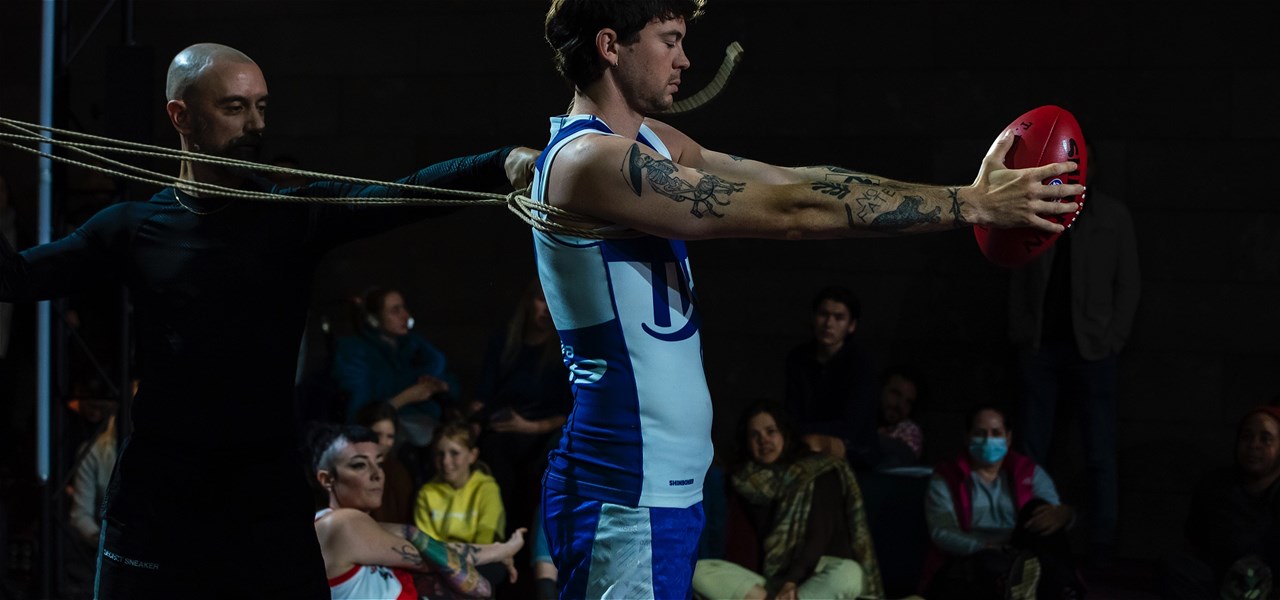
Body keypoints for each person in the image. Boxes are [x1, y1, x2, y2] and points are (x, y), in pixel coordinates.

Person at [532, 1, 1083, 596]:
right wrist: (971, 204)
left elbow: (786, 181)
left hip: (664, 483)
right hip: (626, 482)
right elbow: (790, 212)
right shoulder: (592, 160)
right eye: (669, 40)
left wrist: (966, 195)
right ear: (611, 46)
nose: (686, 59)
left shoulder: (649, 144)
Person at [0, 42, 536, 597]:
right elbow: (14, 279)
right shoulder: (133, 226)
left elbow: (399, 196)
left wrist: (498, 164)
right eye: (235, 107)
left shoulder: (291, 215)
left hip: (263, 495)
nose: (255, 123)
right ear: (180, 116)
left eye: (261, 106)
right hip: (160, 496)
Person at [1008, 140, 1140, 565]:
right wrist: (1022, 332)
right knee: (1031, 447)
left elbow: (1129, 283)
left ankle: (1102, 547)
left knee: (1100, 451)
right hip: (1042, 346)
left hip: (1092, 350)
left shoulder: (1112, 216)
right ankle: (1024, 536)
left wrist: (1112, 338)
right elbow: (1018, 275)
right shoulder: (1039, 206)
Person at [309, 422, 525, 600]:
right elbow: (435, 556)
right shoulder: (341, 525)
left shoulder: (362, 529)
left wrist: (499, 550)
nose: (377, 475)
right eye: (359, 465)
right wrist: (502, 550)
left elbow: (434, 550)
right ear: (327, 479)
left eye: (379, 463)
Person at [693, 400, 882, 599]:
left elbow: (819, 535)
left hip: (817, 573)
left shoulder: (816, 470)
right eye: (754, 435)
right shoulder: (746, 482)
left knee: (849, 574)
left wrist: (791, 581)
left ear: (785, 434)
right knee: (697, 571)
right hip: (772, 582)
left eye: (770, 431)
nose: (763, 440)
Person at [921, 404, 1082, 599]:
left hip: (1022, 553)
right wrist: (983, 546)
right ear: (967, 437)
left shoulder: (1029, 472)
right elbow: (942, 531)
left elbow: (1052, 516)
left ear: (1008, 438)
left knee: (1039, 510)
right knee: (987, 565)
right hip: (974, 555)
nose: (988, 440)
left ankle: (1063, 590)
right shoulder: (947, 477)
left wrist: (1064, 514)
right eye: (980, 433)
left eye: (996, 433)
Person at [471, 277, 571, 539]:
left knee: (537, 475)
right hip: (503, 428)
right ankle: (497, 544)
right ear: (529, 302)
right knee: (494, 465)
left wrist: (528, 426)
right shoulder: (505, 340)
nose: (546, 309)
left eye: (552, 301)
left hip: (542, 432)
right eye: (541, 300)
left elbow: (568, 411)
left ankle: (528, 549)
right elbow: (485, 392)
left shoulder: (563, 350)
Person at [1158, 406, 1280, 600]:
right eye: (1247, 437)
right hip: (1221, 584)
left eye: (1266, 439)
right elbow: (1194, 544)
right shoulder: (1216, 486)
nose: (1254, 445)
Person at [333, 286, 458, 451]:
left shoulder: (411, 347)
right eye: (395, 310)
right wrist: (406, 397)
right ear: (374, 319)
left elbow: (443, 371)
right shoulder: (355, 353)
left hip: (426, 424)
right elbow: (358, 414)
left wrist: (441, 386)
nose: (405, 316)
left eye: (404, 308)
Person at [783, 285, 879, 471]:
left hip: (854, 448)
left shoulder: (861, 363)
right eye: (823, 314)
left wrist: (806, 433)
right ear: (813, 317)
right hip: (802, 438)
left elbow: (853, 425)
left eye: (839, 318)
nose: (829, 323)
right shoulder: (798, 358)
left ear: (851, 325)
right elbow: (791, 411)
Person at [354, 401, 416, 524]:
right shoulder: (350, 468)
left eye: (390, 437)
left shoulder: (398, 472)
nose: (383, 442)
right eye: (377, 434)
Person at [876, 365, 924, 468]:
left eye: (908, 402)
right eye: (896, 394)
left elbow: (902, 459)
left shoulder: (909, 431)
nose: (900, 405)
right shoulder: (861, 415)